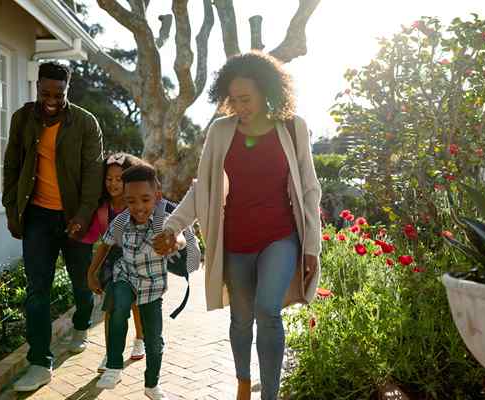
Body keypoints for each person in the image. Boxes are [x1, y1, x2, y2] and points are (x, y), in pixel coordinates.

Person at [153, 51, 322, 400]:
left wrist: (311, 248)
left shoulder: (292, 127)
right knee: (241, 320)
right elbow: (204, 188)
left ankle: (271, 394)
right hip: (236, 241)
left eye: (245, 98)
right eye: (233, 99)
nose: (239, 106)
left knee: (268, 311)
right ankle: (244, 381)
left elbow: (308, 188)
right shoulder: (221, 131)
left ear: (266, 92)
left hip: (280, 236)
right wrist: (172, 227)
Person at [2, 61, 104, 392]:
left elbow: (93, 174)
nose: (51, 99)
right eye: (45, 92)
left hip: (75, 216)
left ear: (67, 90)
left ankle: (81, 324)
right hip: (37, 217)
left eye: (58, 93)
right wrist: (10, 207)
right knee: (37, 290)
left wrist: (83, 215)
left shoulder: (86, 123)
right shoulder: (23, 118)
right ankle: (40, 362)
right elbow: (12, 164)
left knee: (82, 283)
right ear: (37, 88)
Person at [87, 164, 185, 400]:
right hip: (126, 277)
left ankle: (152, 385)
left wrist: (174, 242)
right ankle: (113, 366)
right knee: (118, 307)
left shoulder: (164, 220)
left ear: (157, 196)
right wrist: (91, 273)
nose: (138, 207)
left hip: (152, 288)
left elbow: (180, 237)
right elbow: (105, 245)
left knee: (154, 341)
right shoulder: (121, 220)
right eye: (131, 201)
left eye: (145, 199)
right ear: (125, 199)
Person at [81, 152, 148, 371]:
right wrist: (91, 272)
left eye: (119, 178)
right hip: (112, 263)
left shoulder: (135, 204)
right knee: (111, 307)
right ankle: (111, 354)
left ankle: (140, 339)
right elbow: (97, 240)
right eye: (109, 179)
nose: (113, 183)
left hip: (137, 259)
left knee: (137, 303)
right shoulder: (103, 208)